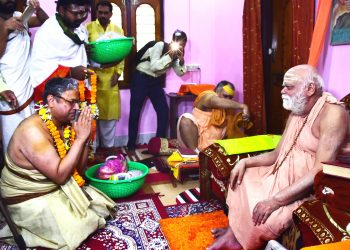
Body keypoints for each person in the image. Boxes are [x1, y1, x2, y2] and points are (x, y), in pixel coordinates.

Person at [207, 64, 350, 250]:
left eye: (289, 86)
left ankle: (238, 240)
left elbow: (319, 170)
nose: (282, 90)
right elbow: (277, 154)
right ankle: (234, 232)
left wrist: (275, 201)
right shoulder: (298, 111)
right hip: (282, 170)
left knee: (268, 214)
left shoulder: (333, 114)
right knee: (244, 177)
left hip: (308, 182)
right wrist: (245, 161)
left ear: (310, 89)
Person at [0, 77, 115, 249]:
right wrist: (80, 139)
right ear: (51, 101)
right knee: (79, 228)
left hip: (53, 183)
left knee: (100, 207)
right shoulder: (32, 131)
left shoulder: (65, 124)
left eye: (78, 102)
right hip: (28, 194)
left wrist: (84, 138)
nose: (77, 108)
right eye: (72, 102)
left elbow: (79, 170)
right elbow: (61, 177)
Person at [127, 29, 188, 151]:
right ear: (172, 40)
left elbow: (180, 73)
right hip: (141, 78)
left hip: (155, 82)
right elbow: (154, 67)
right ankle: (131, 145)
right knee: (135, 112)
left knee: (163, 111)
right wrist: (169, 56)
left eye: (182, 43)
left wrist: (181, 62)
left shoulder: (176, 54)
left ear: (185, 44)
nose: (179, 45)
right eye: (177, 42)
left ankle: (159, 144)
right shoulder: (160, 46)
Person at [0, 0, 48, 152]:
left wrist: (37, 9)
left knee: (33, 136)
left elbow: (46, 23)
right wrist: (4, 28)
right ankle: (13, 172)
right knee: (13, 139)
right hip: (9, 87)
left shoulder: (19, 17)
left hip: (28, 84)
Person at [30, 0, 93, 102]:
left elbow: (81, 56)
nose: (80, 17)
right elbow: (40, 71)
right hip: (58, 99)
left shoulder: (81, 29)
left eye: (85, 12)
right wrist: (70, 72)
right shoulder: (48, 31)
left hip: (79, 92)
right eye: (76, 13)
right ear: (62, 10)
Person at [86, 0, 124, 149]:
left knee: (108, 118)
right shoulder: (87, 29)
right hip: (92, 79)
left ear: (111, 14)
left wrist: (118, 72)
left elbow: (122, 53)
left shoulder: (117, 30)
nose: (102, 15)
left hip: (110, 79)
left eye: (105, 13)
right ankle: (92, 153)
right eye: (100, 12)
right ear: (96, 13)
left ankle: (108, 152)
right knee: (92, 117)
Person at [177, 80, 250, 152]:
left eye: (230, 97)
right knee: (186, 118)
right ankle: (195, 154)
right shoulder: (207, 96)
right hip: (192, 141)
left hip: (213, 146)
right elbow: (215, 101)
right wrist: (243, 106)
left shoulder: (228, 109)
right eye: (225, 96)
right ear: (217, 92)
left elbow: (231, 133)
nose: (228, 99)